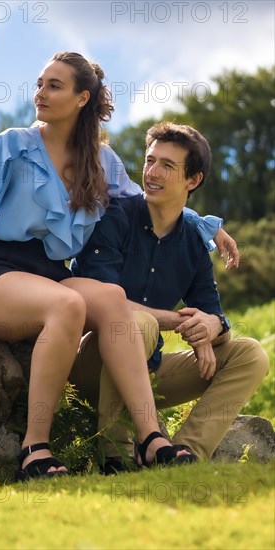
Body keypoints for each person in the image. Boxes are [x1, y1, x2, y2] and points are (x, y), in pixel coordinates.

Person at [0, 52, 236, 477]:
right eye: (40, 83)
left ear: (82, 97)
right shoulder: (12, 144)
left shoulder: (104, 162)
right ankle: (35, 449)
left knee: (109, 295)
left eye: (54, 85)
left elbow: (146, 203)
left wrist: (204, 224)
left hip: (50, 273)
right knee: (67, 305)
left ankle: (149, 438)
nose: (40, 94)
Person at [71, 121, 269, 473]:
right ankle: (116, 454)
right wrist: (180, 322)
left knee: (250, 354)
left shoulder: (193, 240)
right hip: (91, 363)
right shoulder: (113, 217)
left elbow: (214, 314)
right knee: (138, 322)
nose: (152, 172)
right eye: (150, 160)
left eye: (167, 165)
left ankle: (184, 454)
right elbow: (102, 301)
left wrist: (209, 327)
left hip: (151, 371)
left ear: (193, 181)